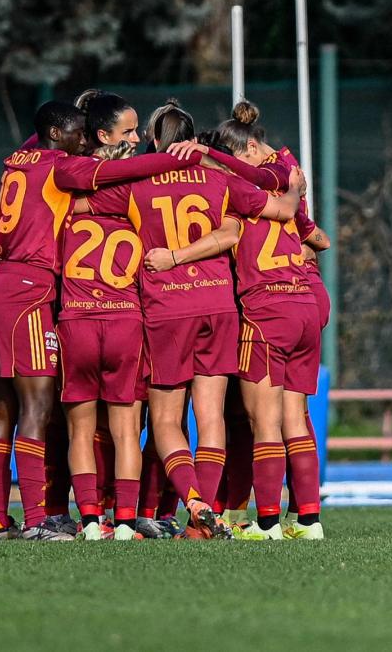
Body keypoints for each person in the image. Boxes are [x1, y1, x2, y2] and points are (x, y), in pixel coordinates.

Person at [74, 99, 303, 539]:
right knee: (211, 417)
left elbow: (80, 207)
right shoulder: (217, 179)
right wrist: (294, 188)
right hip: (219, 307)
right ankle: (201, 523)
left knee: (165, 422)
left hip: (167, 310)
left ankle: (195, 504)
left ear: (157, 141)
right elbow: (282, 211)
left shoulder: (139, 183)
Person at [0, 101, 201, 541]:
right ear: (58, 135)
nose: (86, 139)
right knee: (39, 409)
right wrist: (181, 155)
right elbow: (121, 173)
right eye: (79, 132)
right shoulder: (63, 169)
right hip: (30, 288)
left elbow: (38, 135)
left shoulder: (17, 160)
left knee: (4, 409)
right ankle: (39, 521)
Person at [148, 101, 327, 540]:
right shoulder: (284, 190)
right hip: (307, 303)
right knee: (295, 419)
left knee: (259, 423)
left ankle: (264, 522)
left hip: (265, 311)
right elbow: (318, 238)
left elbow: (229, 233)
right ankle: (308, 521)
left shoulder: (239, 193)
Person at [58, 140, 148, 541]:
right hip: (124, 321)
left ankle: (92, 520)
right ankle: (127, 521)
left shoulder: (67, 211)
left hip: (77, 318)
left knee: (80, 431)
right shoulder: (138, 213)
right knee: (126, 429)